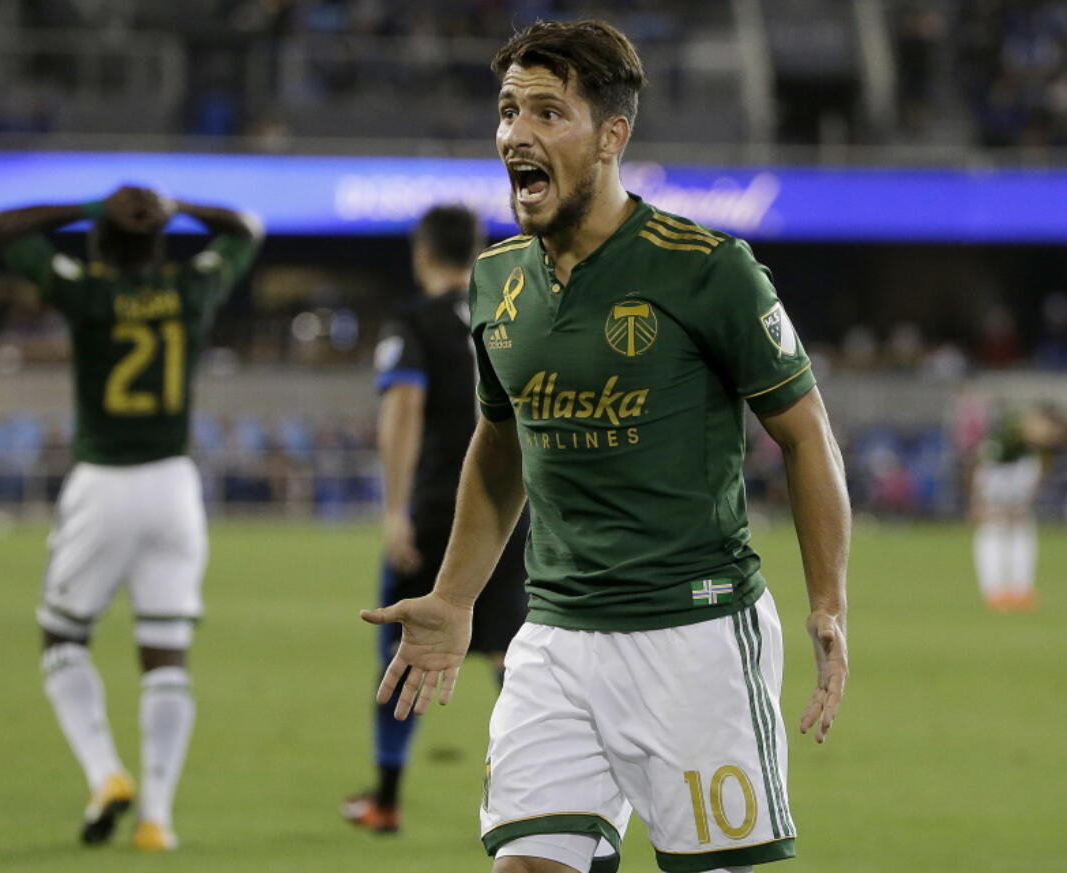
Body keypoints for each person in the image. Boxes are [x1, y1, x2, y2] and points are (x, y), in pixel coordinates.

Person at [360, 20, 850, 873]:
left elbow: (806, 437)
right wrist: (453, 594)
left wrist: (828, 600)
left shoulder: (708, 270)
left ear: (611, 136)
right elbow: (499, 444)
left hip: (694, 632)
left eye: (548, 112)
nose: (516, 132)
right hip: (554, 637)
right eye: (509, 110)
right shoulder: (496, 281)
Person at [0, 185, 263, 851]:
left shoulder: (86, 291)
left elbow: (5, 225)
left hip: (103, 483)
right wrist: (175, 204)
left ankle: (106, 771)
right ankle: (158, 819)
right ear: (158, 241)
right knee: (165, 653)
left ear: (101, 246)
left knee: (62, 637)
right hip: (174, 485)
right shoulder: (190, 288)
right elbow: (247, 226)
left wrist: (93, 207)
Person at [343, 205, 529, 834]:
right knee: (512, 654)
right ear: (477, 252)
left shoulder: (414, 321)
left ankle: (386, 800)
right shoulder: (508, 310)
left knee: (410, 648)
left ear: (422, 253)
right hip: (516, 509)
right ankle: (535, 793)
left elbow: (403, 406)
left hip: (439, 512)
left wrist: (394, 510)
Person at [970, 403, 1063, 612]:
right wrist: (981, 501)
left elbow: (1034, 474)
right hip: (996, 494)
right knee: (992, 534)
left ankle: (1021, 590)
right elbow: (984, 468)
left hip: (1017, 496)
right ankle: (995, 592)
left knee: (1023, 533)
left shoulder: (1037, 448)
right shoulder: (1007, 436)